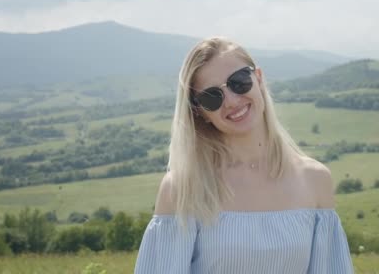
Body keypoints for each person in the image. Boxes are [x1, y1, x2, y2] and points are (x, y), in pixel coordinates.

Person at [134, 37, 354, 274]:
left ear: (258, 78)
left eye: (238, 82)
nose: (231, 101)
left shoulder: (314, 180)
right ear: (200, 112)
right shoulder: (183, 187)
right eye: (211, 97)